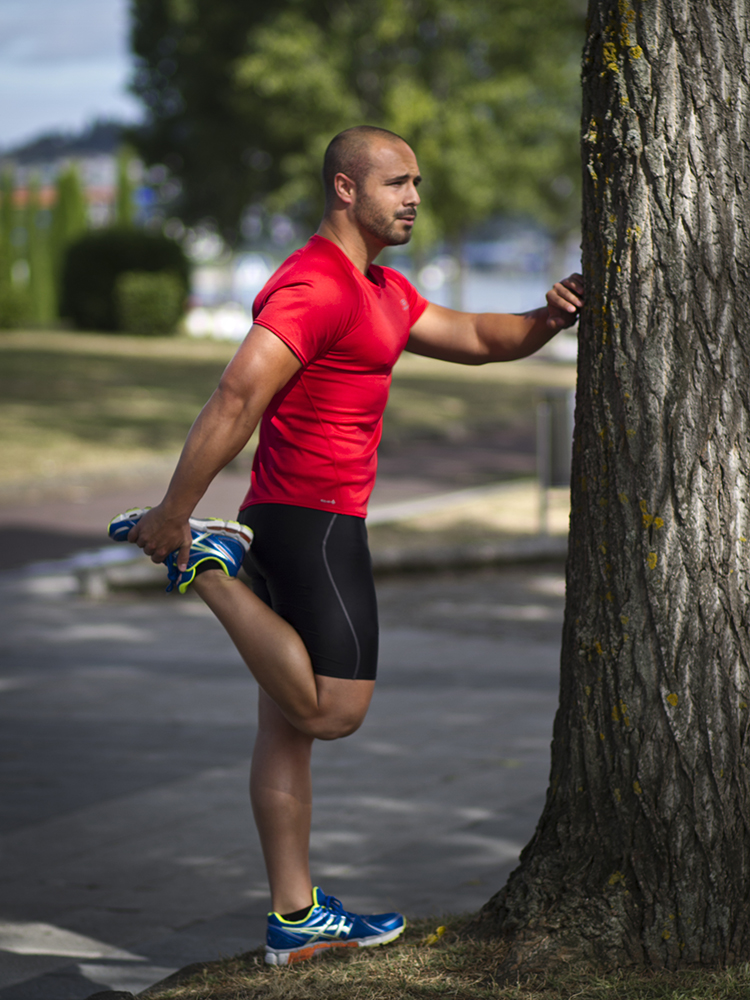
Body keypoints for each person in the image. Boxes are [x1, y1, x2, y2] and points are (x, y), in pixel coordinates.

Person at [109, 125, 583, 966]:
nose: (413, 198)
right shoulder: (315, 285)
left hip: (295, 515)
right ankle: (207, 570)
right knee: (333, 710)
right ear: (344, 189)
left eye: (418, 183)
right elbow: (235, 395)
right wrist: (178, 514)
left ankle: (293, 917)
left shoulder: (382, 292)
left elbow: (478, 339)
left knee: (286, 727)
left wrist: (549, 315)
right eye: (397, 182)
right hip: (312, 523)